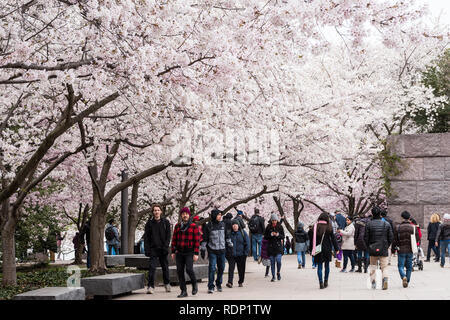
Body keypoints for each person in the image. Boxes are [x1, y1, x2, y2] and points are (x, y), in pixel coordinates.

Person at [201, 208, 233, 294]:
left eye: (220, 215)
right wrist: (203, 249)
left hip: (222, 251)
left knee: (221, 268)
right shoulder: (209, 226)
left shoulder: (223, 224)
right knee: (212, 268)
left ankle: (218, 283)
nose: (220, 216)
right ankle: (211, 286)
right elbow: (205, 238)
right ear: (215, 215)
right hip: (212, 251)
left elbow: (227, 235)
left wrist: (230, 245)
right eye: (219, 215)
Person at [171, 207, 201, 298]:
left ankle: (194, 284)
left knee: (189, 269)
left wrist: (196, 253)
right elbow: (174, 239)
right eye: (183, 213)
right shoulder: (177, 226)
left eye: (186, 214)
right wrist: (173, 251)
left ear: (189, 215)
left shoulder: (193, 226)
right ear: (181, 215)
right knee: (180, 272)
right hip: (179, 252)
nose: (185, 215)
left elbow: (197, 241)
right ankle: (183, 291)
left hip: (189, 252)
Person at [144, 204, 172, 294]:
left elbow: (168, 235)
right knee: (152, 267)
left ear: (161, 211)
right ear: (153, 212)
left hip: (163, 249)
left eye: (158, 210)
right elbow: (147, 237)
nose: (156, 212)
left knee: (165, 267)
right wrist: (147, 249)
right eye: (155, 210)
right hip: (153, 249)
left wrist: (166, 246)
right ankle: (150, 286)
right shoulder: (149, 223)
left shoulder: (166, 222)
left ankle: (167, 283)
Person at [364, 206, 393, 290]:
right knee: (384, 267)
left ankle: (373, 282)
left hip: (372, 248)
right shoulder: (386, 224)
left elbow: (366, 237)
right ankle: (385, 279)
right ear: (380, 213)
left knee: (373, 266)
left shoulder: (369, 224)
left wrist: (368, 246)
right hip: (383, 248)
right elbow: (391, 237)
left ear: (372, 214)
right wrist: (387, 245)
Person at [309, 212, 339, 289]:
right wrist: (336, 248)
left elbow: (311, 240)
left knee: (319, 266)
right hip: (327, 248)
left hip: (318, 249)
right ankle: (326, 281)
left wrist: (311, 249)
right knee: (327, 266)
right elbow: (333, 239)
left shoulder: (315, 227)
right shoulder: (329, 226)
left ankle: (321, 283)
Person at [392, 211, 420, 288]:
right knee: (409, 267)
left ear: (402, 217)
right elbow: (417, 238)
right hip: (410, 249)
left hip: (401, 249)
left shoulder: (397, 227)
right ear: (409, 217)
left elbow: (394, 240)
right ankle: (407, 280)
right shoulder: (413, 227)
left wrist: (393, 250)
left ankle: (403, 276)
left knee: (400, 266)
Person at [226, 220, 250, 288]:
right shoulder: (229, 233)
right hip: (231, 255)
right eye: (233, 225)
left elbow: (247, 243)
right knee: (231, 269)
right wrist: (227, 253)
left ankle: (240, 281)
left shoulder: (243, 233)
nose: (234, 226)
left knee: (241, 269)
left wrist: (245, 253)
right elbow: (226, 244)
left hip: (241, 255)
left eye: (236, 225)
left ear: (238, 225)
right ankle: (230, 282)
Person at [264, 213, 285, 282]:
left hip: (278, 247)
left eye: (275, 220)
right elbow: (265, 237)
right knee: (272, 262)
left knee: (278, 261)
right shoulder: (268, 227)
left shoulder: (280, 227)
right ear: (271, 220)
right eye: (273, 220)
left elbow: (283, 236)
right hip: (270, 247)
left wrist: (277, 234)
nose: (274, 222)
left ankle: (278, 272)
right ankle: (273, 276)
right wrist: (271, 234)